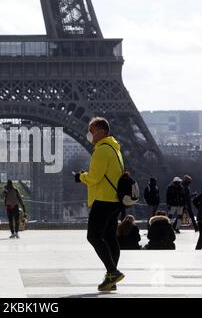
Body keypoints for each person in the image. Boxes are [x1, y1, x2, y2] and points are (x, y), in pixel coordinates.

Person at [75, 117, 125, 292]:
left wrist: (81, 177)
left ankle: (112, 271)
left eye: (91, 130)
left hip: (103, 200)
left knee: (94, 237)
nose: (89, 133)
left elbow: (95, 177)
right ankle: (112, 278)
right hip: (114, 201)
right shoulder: (115, 149)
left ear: (101, 132)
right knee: (110, 238)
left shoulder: (101, 150)